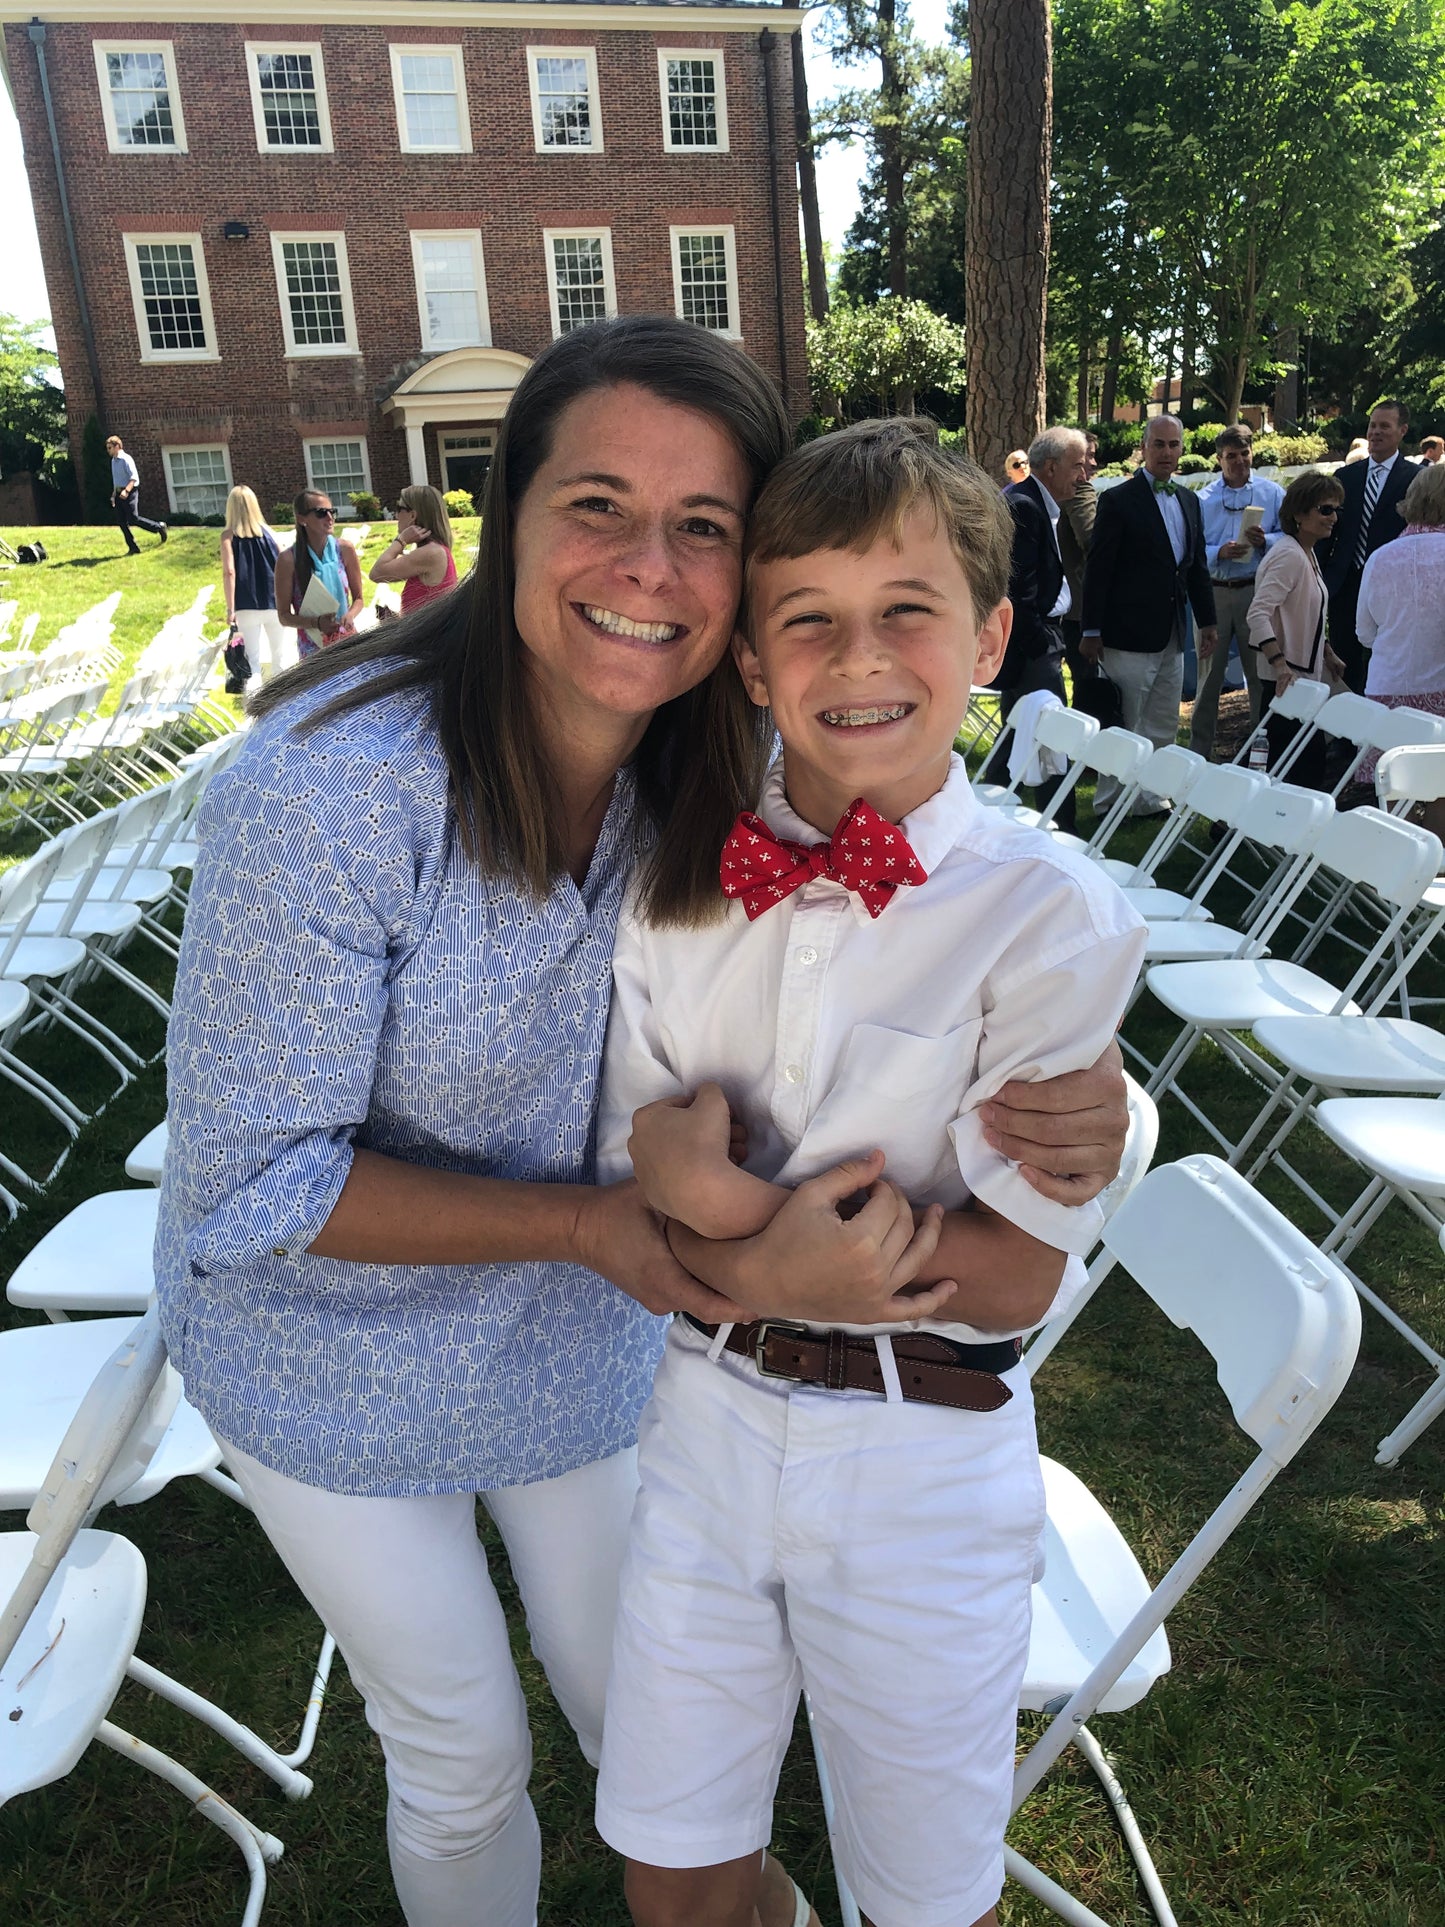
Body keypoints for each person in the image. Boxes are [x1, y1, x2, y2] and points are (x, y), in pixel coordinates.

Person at [153, 318, 1128, 1927]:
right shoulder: (325, 790)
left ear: (744, 603)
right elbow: (257, 1176)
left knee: (645, 1719)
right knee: (461, 1738)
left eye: (705, 528)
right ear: (505, 518)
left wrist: (1095, 1098)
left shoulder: (735, 753)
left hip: (604, 1329)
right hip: (331, 1344)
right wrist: (608, 1226)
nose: (648, 567)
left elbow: (944, 929)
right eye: (595, 504)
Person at [593, 418, 1147, 1927]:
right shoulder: (677, 887)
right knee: (674, 1861)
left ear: (987, 638)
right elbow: (634, 1176)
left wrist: (719, 1208)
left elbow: (1011, 1265)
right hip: (700, 1422)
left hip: (922, 1457)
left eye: (906, 610)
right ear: (755, 664)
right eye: (810, 620)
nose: (860, 657)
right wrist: (698, 1209)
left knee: (923, 1898)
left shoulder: (1048, 918)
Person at [1080, 414, 1217, 814]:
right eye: (1159, 444)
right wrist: (1091, 629)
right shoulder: (1118, 500)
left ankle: (1151, 795)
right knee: (1125, 723)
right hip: (1127, 633)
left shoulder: (1190, 500)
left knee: (1162, 721)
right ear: (1144, 448)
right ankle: (1110, 801)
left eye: (1173, 445)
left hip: (1173, 633)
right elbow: (1098, 569)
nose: (1166, 453)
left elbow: (1195, 569)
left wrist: (1207, 621)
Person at [984, 426, 1089, 831]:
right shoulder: (1025, 505)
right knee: (1052, 736)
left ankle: (984, 807)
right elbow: (1016, 590)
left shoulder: (1027, 499)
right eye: (1077, 466)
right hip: (1033, 645)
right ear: (1050, 467)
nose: (1084, 475)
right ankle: (1061, 827)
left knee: (1017, 729)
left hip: (1032, 640)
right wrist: (1040, 643)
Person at [1356, 461, 1445, 834]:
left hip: (1387, 686)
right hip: (1439, 685)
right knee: (1441, 788)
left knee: (1395, 785)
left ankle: (1397, 873)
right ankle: (1438, 866)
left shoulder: (1380, 557)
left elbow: (1364, 631)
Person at [1247, 469, 1347, 789]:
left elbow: (1305, 610)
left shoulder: (1305, 552)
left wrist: (1326, 651)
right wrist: (1281, 665)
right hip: (1286, 685)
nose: (1333, 517)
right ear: (1300, 514)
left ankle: (1237, 828)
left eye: (1336, 510)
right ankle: (1234, 829)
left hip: (1301, 682)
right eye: (1325, 509)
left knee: (1279, 769)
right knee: (1291, 770)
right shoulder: (1289, 555)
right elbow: (1258, 613)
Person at [1191, 424, 1285, 758]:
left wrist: (1267, 541)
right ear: (1219, 459)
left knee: (1260, 675)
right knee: (1208, 678)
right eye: (1231, 456)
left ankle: (1263, 750)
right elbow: (1189, 551)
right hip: (1214, 593)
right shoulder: (1203, 500)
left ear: (1252, 454)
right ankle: (1200, 753)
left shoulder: (1272, 494)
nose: (1239, 462)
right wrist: (1218, 551)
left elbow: (1288, 538)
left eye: (1244, 454)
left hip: (1254, 592)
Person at [1319, 400, 1414, 692]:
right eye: (1373, 425)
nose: (1375, 432)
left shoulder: (1415, 479)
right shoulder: (1345, 477)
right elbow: (1327, 531)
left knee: (1382, 662)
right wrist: (1322, 578)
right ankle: (1344, 734)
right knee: (1345, 664)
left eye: (1384, 426)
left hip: (1391, 588)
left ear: (1402, 430)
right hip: (1345, 585)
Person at [273, 489, 364, 658]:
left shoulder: (345, 550)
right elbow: (284, 616)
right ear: (302, 519)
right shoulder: (288, 560)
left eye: (332, 511)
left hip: (347, 640)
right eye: (321, 513)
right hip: (312, 648)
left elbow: (359, 599)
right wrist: (315, 623)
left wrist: (350, 615)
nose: (330, 517)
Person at [220, 486, 290, 681]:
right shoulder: (269, 533)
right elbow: (285, 561)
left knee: (252, 663)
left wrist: (230, 608)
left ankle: (254, 708)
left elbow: (229, 572)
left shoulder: (228, 536)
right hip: (275, 602)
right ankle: (285, 703)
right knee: (280, 657)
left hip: (245, 604)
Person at [369, 483, 459, 614]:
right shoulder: (436, 550)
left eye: (399, 508)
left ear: (412, 515)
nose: (396, 515)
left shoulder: (431, 553)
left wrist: (401, 540)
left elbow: (377, 573)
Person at [106, 433, 166, 553]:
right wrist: (114, 495)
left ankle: (159, 527)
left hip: (130, 491)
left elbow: (134, 478)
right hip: (118, 493)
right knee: (121, 522)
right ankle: (133, 547)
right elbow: (116, 480)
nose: (108, 450)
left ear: (117, 446)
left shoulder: (126, 459)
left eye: (110, 448)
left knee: (133, 519)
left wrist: (126, 491)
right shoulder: (113, 461)